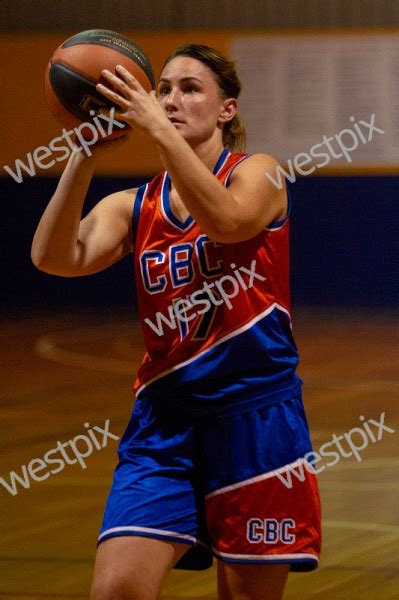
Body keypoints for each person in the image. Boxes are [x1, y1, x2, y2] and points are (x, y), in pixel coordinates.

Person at [31, 44, 321, 600]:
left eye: (190, 89)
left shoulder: (258, 174)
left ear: (226, 110)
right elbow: (53, 256)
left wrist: (153, 129)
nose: (169, 99)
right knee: (116, 591)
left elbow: (229, 221)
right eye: (162, 88)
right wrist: (84, 154)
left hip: (257, 419)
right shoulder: (135, 206)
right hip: (164, 423)